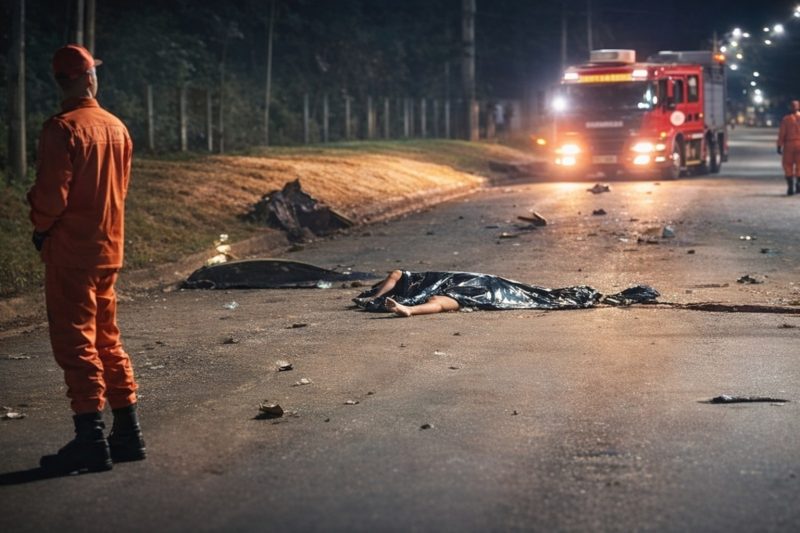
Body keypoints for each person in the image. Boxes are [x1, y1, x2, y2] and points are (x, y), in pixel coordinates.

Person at [27, 44, 145, 474]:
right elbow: (122, 190)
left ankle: (91, 439)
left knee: (76, 343)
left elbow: (51, 198)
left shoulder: (61, 129)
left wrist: (40, 227)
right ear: (89, 78)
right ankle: (128, 434)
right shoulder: (117, 127)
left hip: (72, 252)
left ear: (61, 81)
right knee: (107, 338)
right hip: (108, 247)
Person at [353, 270, 659, 317]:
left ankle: (408, 310)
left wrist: (376, 298)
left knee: (446, 301)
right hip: (469, 289)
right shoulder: (406, 280)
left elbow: (395, 275)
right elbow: (394, 277)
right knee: (446, 302)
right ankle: (407, 310)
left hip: (486, 284)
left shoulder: (412, 277)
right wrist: (375, 298)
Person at [777, 100, 800, 196]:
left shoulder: (786, 119)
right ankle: (798, 185)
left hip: (789, 145)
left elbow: (782, 133)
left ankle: (790, 187)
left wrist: (779, 145)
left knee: (787, 165)